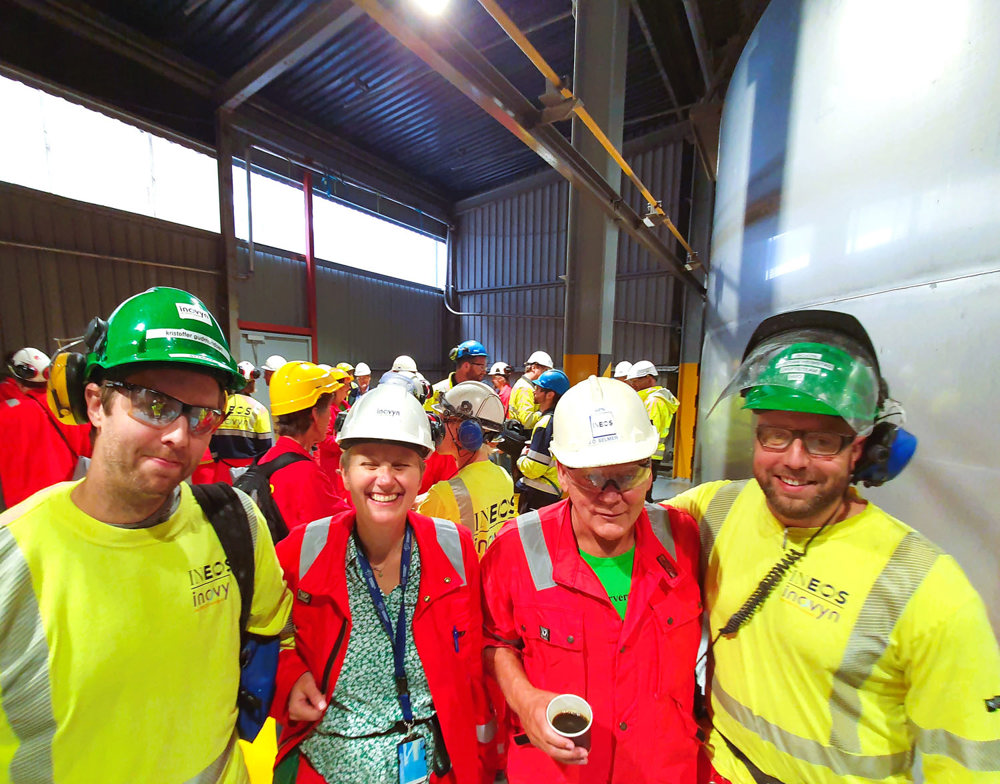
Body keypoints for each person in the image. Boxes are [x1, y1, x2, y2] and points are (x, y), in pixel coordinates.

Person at [667, 309, 1000, 784]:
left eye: (823, 440)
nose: (795, 460)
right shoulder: (713, 510)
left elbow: (972, 764)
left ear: (862, 448)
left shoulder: (925, 586)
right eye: (776, 434)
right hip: (717, 770)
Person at [0, 286, 292, 783]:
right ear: (96, 402)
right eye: (155, 403)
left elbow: (277, 640)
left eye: (201, 415)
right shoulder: (14, 559)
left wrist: (295, 682)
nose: (180, 434)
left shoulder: (236, 524)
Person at [270, 382, 495, 783]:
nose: (385, 480)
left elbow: (474, 666)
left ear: (422, 474)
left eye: (401, 465)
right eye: (369, 463)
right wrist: (288, 677)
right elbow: (257, 634)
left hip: (432, 764)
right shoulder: (304, 550)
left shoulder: (454, 549)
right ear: (342, 472)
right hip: (330, 762)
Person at [481, 376, 702, 784]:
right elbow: (495, 642)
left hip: (664, 770)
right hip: (559, 773)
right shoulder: (517, 549)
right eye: (592, 478)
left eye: (628, 476)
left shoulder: (684, 539)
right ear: (561, 474)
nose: (611, 496)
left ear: (650, 472)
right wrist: (525, 700)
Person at [418, 381, 516, 558]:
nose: (438, 427)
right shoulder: (504, 477)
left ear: (466, 432)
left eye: (443, 420)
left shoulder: (443, 495)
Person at [258, 361, 350, 532]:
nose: (330, 416)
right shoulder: (307, 474)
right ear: (315, 415)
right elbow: (343, 528)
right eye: (328, 409)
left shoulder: (268, 459)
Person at [0, 347, 91, 509]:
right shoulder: (75, 410)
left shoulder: (5, 416)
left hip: (25, 512)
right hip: (75, 502)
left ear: (17, 378)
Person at [515, 369, 569, 513]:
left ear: (550, 394)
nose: (534, 391)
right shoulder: (560, 419)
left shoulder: (544, 424)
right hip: (552, 490)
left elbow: (534, 469)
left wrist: (521, 457)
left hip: (538, 494)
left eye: (538, 389)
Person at [209, 360, 273, 480]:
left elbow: (211, 437)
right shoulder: (259, 409)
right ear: (252, 383)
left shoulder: (220, 406)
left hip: (223, 468)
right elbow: (265, 446)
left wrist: (216, 458)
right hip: (250, 470)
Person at [626, 360, 680, 501]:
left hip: (648, 453)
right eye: (632, 381)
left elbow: (649, 429)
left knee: (643, 493)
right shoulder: (649, 399)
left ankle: (646, 519)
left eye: (636, 380)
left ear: (649, 379)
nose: (634, 384)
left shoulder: (654, 401)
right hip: (648, 453)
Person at [427, 340, 490, 411]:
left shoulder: (484, 396)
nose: (484, 372)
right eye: (482, 367)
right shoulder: (435, 393)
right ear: (466, 366)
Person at [508, 350, 553, 429]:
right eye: (545, 370)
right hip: (523, 435)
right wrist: (543, 411)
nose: (546, 375)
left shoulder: (527, 385)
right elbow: (527, 421)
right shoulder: (525, 388)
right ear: (534, 367)